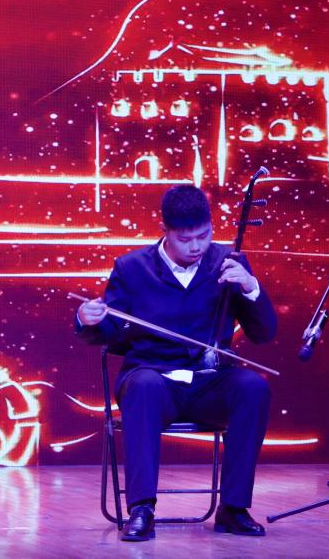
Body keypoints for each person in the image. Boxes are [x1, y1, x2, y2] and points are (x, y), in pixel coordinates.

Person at [75, 184, 277, 541]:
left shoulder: (228, 262)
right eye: (185, 239)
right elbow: (113, 332)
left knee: (253, 388)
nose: (196, 246)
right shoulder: (132, 268)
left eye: (204, 235)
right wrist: (87, 320)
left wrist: (250, 287)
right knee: (144, 386)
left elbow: (264, 334)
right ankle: (142, 509)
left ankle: (233, 508)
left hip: (210, 381)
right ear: (165, 231)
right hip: (154, 380)